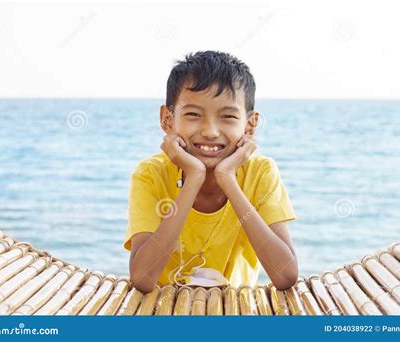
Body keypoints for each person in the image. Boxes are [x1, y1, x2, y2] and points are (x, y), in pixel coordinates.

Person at [123, 51, 298, 293]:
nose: (210, 131)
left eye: (227, 116)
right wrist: (194, 177)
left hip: (234, 312)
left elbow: (286, 275)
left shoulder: (260, 173)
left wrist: (227, 180)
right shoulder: (150, 173)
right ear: (167, 120)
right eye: (193, 114)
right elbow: (142, 278)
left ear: (250, 125)